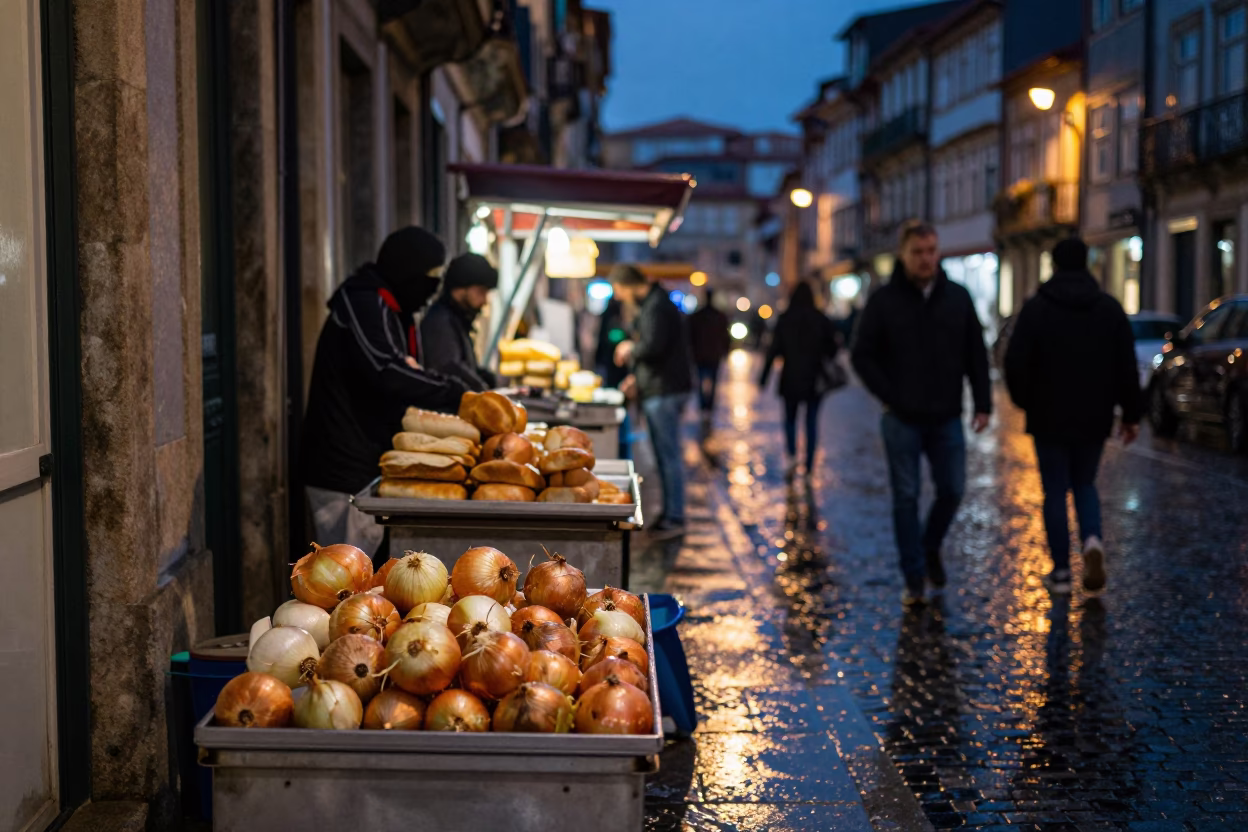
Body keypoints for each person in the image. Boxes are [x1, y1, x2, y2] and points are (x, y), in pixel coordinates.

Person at [300, 227, 469, 556]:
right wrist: (453, 392)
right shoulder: (365, 303)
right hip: (343, 471)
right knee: (345, 577)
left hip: (367, 466)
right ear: (408, 272)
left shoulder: (393, 309)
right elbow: (387, 370)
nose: (432, 291)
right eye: (429, 278)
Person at [852, 221, 992, 605]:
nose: (926, 259)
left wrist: (983, 402)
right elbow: (861, 354)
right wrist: (889, 394)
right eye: (918, 252)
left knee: (952, 489)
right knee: (906, 497)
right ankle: (913, 575)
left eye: (931, 251)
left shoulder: (957, 297)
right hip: (901, 417)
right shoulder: (884, 301)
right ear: (903, 254)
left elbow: (975, 353)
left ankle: (929, 546)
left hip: (946, 413)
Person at [1004, 237, 1142, 594]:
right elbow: (1127, 366)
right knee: (1084, 484)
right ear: (1087, 265)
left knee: (1054, 490)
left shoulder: (1036, 309)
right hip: (1094, 414)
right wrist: (1130, 414)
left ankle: (1062, 572)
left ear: (1054, 265)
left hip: (1048, 414)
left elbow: (1014, 361)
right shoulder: (1109, 309)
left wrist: (1026, 401)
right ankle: (1092, 541)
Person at [610, 264, 694, 539]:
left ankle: (675, 516)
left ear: (630, 284)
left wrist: (629, 347)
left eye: (620, 291)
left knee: (668, 455)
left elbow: (653, 347)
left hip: (665, 391)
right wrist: (637, 379)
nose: (619, 297)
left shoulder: (657, 306)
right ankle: (670, 513)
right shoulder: (655, 304)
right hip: (660, 387)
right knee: (663, 454)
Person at [758, 281, 841, 477]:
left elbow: (773, 350)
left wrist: (764, 377)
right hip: (814, 379)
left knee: (790, 420)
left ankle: (792, 456)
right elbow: (833, 348)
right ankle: (809, 464)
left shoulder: (785, 319)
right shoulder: (820, 319)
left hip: (791, 378)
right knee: (811, 421)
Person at [420, 252, 499, 392]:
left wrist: (485, 377)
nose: (485, 301)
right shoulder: (440, 323)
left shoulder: (457, 320)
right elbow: (449, 369)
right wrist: (483, 390)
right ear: (461, 289)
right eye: (481, 292)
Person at [688, 288, 732, 424]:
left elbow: (690, 336)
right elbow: (725, 336)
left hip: (701, 355)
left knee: (702, 381)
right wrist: (725, 351)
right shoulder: (719, 316)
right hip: (713, 355)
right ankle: (708, 407)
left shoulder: (697, 316)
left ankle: (704, 407)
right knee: (712, 382)